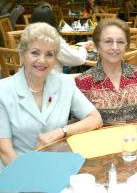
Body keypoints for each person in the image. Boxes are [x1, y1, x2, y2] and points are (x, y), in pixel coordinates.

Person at [0, 22, 103, 169]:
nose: (42, 60)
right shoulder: (3, 91)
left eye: (49, 54)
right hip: (16, 171)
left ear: (56, 59)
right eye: (35, 52)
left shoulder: (64, 84)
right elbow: (5, 151)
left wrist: (61, 132)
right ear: (22, 54)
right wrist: (30, 181)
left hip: (56, 167)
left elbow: (95, 119)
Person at [75, 18, 137, 124]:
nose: (115, 47)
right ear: (97, 46)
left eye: (120, 42)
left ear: (126, 46)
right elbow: (81, 125)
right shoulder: (83, 82)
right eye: (108, 41)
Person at [30, 4, 88, 73]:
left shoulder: (27, 38)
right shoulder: (52, 39)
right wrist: (83, 48)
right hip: (50, 80)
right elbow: (76, 59)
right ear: (52, 20)